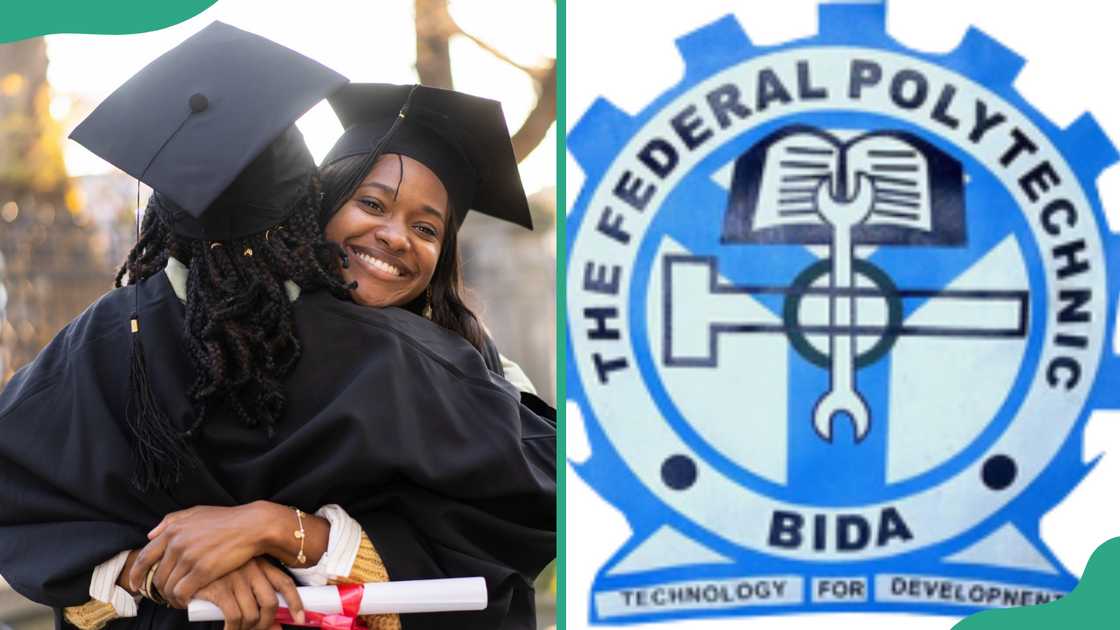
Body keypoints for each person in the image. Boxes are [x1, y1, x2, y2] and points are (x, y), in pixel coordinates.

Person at [0, 29, 555, 630]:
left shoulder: (440, 361)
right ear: (312, 208)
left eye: (426, 228)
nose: (395, 236)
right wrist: (164, 566)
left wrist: (285, 532)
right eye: (372, 205)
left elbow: (519, 505)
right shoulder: (116, 338)